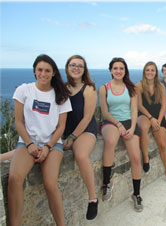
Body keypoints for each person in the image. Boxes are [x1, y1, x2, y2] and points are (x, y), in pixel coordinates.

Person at [8, 54, 72, 226]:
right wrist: (29, 144)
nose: (43, 74)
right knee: (14, 178)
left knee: (50, 183)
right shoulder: (24, 90)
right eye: (40, 70)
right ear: (35, 71)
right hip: (27, 142)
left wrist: (48, 147)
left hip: (52, 144)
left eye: (47, 70)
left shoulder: (61, 95)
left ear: (53, 73)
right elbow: (19, 123)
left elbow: (61, 127)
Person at [99, 57, 143, 212]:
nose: (118, 71)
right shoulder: (104, 88)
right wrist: (118, 124)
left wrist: (131, 128)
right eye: (115, 68)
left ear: (125, 71)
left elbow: (134, 110)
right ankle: (106, 183)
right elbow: (104, 112)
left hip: (129, 122)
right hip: (111, 121)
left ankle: (136, 194)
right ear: (111, 70)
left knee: (136, 158)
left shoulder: (131, 88)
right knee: (111, 141)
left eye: (121, 68)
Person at [62, 55, 99, 220]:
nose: (76, 68)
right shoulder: (62, 89)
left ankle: (92, 198)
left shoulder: (89, 89)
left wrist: (72, 137)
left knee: (81, 155)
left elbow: (86, 118)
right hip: (65, 131)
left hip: (85, 130)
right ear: (67, 67)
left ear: (84, 70)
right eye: (73, 65)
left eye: (80, 66)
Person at [136, 61, 166, 183]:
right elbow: (139, 105)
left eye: (152, 70)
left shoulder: (161, 86)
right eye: (147, 70)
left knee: (162, 145)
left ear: (156, 73)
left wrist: (158, 119)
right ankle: (146, 157)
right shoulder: (139, 85)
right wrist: (151, 118)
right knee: (144, 128)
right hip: (144, 114)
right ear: (144, 72)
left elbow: (163, 105)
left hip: (158, 116)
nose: (150, 72)